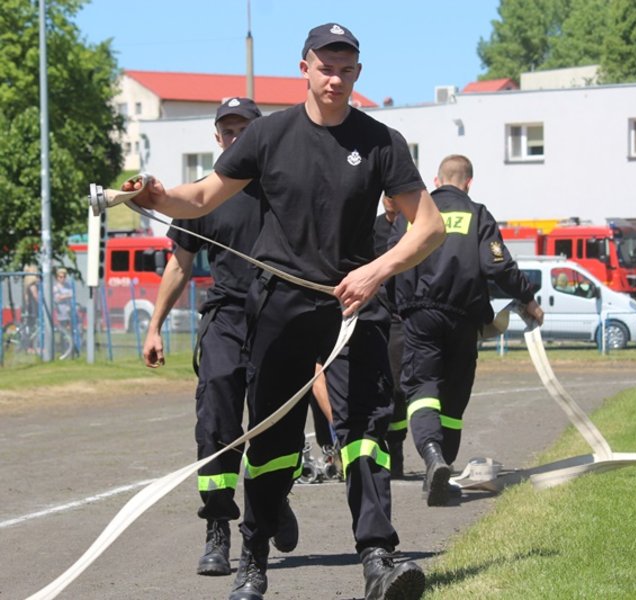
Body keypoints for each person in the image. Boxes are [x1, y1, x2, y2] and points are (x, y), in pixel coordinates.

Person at [125, 23, 445, 600]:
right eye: (325, 66)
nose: (335, 78)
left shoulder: (381, 142)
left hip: (351, 307)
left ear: (357, 74)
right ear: (304, 68)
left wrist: (377, 270)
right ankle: (253, 559)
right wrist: (155, 194)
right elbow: (198, 198)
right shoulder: (268, 136)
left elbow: (430, 227)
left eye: (346, 69)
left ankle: (377, 556)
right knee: (272, 441)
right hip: (280, 305)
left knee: (365, 434)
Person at [141, 98, 299, 577]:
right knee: (216, 425)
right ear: (217, 138)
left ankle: (273, 503)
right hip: (225, 317)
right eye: (226, 131)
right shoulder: (205, 195)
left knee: (274, 425)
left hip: (278, 316)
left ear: (258, 135)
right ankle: (217, 530)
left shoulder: (280, 188)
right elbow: (180, 264)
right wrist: (154, 325)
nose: (234, 138)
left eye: (243, 130)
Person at [391, 154, 544, 506]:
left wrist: (399, 308)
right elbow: (498, 266)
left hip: (419, 315)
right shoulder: (477, 214)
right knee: (454, 396)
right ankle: (444, 467)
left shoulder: (414, 212)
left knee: (422, 388)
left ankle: (432, 457)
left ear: (436, 179)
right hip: (463, 316)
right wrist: (528, 300)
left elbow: (392, 259)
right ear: (469, 182)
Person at [373, 195, 408, 478]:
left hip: (400, 318)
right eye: (386, 196)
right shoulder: (373, 228)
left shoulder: (413, 228)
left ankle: (395, 447)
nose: (390, 201)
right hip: (373, 315)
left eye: (394, 196)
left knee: (397, 388)